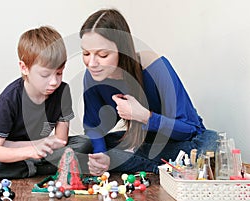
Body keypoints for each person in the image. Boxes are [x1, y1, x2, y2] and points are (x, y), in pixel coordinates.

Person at [79, 8, 218, 176]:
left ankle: (143, 165)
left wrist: (145, 116)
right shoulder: (93, 76)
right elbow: (94, 127)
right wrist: (100, 155)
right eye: (86, 53)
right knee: (87, 145)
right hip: (144, 143)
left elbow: (189, 129)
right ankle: (154, 167)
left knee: (210, 144)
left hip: (183, 142)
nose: (92, 63)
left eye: (102, 54)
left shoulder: (155, 68)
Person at [0, 26, 91, 181]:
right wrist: (32, 149)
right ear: (24, 68)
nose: (54, 82)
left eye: (59, 73)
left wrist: (41, 147)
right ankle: (36, 167)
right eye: (45, 75)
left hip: (39, 150)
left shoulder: (62, 91)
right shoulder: (9, 99)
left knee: (85, 142)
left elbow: (61, 140)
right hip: (2, 150)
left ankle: (30, 166)